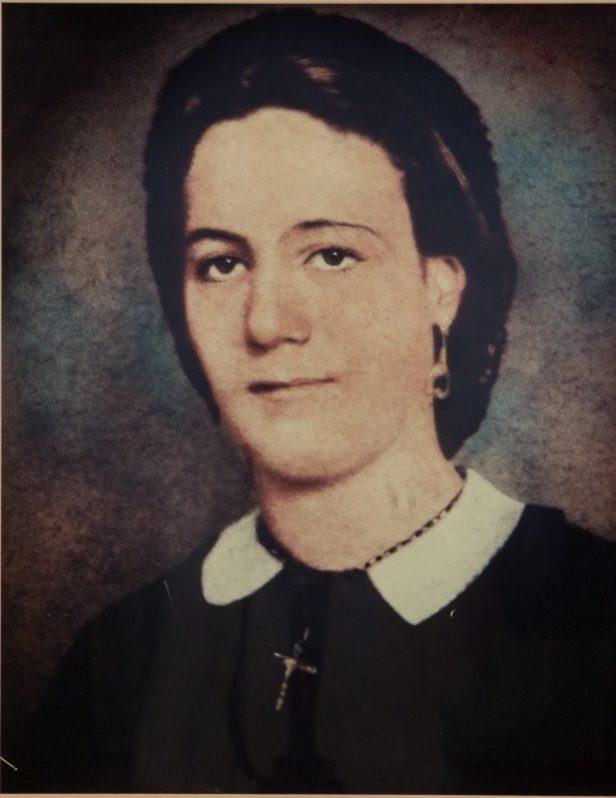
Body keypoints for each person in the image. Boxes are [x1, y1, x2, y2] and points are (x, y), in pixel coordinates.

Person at [9, 9, 616, 794]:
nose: (267, 322)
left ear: (442, 284)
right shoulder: (116, 667)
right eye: (222, 264)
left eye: (332, 254)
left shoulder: (594, 625)